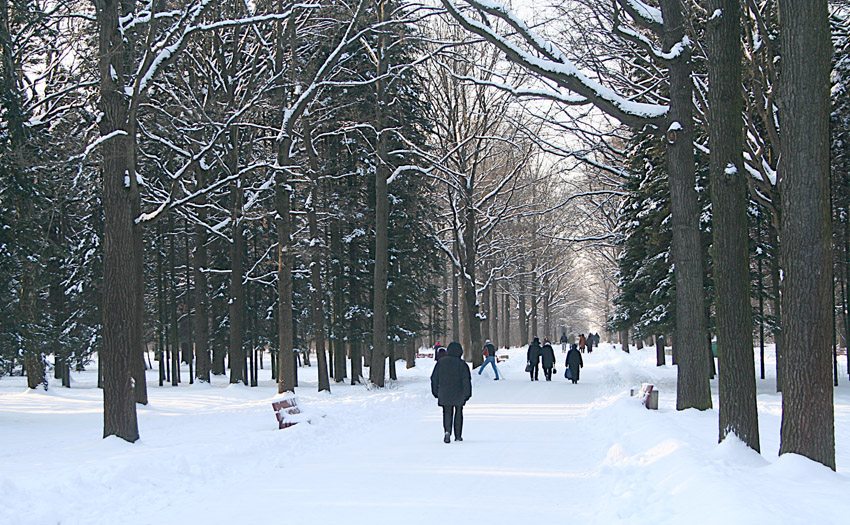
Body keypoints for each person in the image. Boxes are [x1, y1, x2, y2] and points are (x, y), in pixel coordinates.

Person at [431, 341, 471, 443]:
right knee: (458, 412)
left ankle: (447, 431)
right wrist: (467, 393)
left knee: (447, 412)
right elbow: (466, 379)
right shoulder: (462, 364)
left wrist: (436, 391)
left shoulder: (441, 362)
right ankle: (458, 435)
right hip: (458, 392)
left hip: (444, 391)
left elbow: (434, 378)